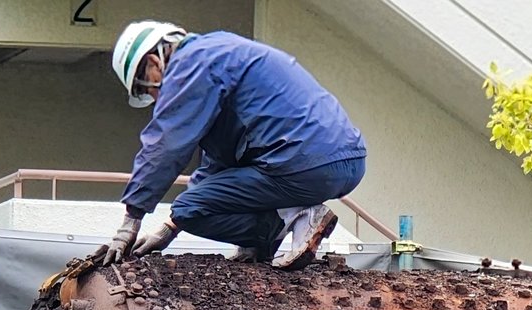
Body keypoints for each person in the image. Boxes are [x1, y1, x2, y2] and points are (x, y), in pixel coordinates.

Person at [100, 22, 367, 270]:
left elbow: (165, 143)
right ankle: (263, 241)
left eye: (149, 89)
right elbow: (220, 163)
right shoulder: (219, 52)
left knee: (187, 207)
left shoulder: (190, 63)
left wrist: (131, 220)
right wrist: (171, 227)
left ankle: (295, 216)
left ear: (154, 61)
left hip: (302, 163)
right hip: (345, 162)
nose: (156, 99)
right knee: (189, 208)